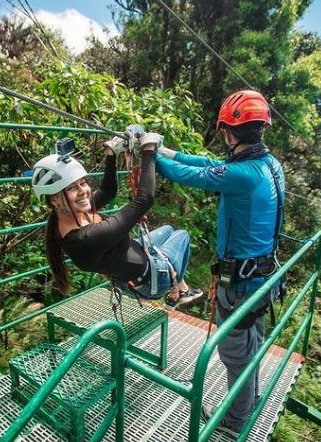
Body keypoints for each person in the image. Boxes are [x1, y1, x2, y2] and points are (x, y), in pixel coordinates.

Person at [155, 90, 284, 437]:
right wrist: (167, 151)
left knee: (235, 353)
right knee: (251, 344)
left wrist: (152, 156)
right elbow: (208, 164)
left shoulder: (242, 175)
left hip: (241, 284)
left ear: (229, 132)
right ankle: (249, 402)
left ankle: (235, 422)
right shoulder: (268, 165)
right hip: (264, 277)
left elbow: (194, 175)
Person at [31, 129, 202, 310]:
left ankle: (179, 286)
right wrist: (149, 151)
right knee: (182, 235)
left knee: (167, 229)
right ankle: (177, 291)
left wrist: (111, 154)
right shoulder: (86, 239)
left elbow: (107, 191)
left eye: (83, 183)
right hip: (152, 280)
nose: (84, 191)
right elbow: (144, 200)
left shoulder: (71, 213)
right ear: (54, 200)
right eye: (72, 188)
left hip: (133, 259)